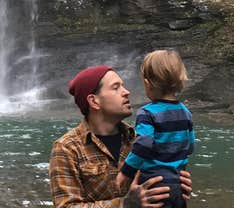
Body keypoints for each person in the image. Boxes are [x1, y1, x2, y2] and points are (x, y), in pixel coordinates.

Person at [49, 65, 192, 208]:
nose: (127, 92)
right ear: (94, 101)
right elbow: (66, 206)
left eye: (123, 86)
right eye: (116, 87)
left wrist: (175, 185)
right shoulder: (67, 148)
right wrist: (124, 204)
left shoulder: (141, 139)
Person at [115, 50, 194, 208]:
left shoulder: (147, 112)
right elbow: (190, 146)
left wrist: (126, 172)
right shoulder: (186, 112)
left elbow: (143, 144)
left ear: (147, 83)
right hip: (179, 183)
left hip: (154, 183)